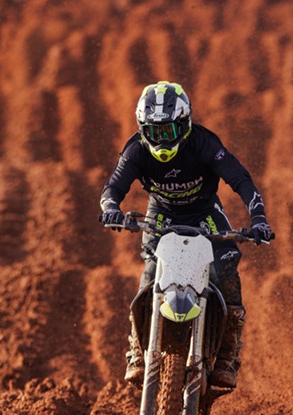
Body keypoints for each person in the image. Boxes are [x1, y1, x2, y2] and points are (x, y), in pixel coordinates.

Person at [99, 81, 274, 389]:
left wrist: (258, 219)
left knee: (226, 271)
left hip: (205, 213)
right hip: (161, 216)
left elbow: (241, 180)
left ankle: (228, 354)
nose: (161, 139)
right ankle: (137, 350)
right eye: (153, 132)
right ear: (142, 129)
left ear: (184, 124)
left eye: (168, 131)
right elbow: (113, 187)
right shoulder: (136, 150)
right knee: (150, 273)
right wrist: (111, 208)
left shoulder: (205, 144)